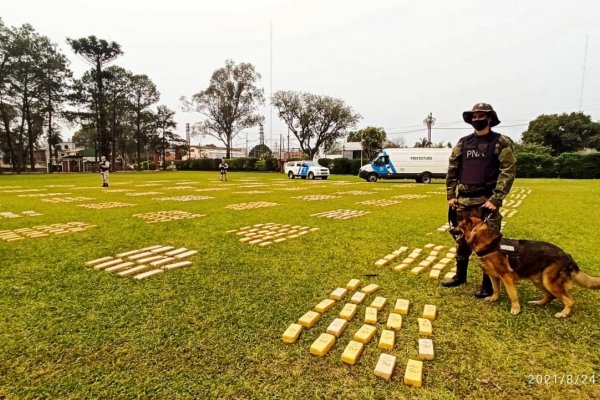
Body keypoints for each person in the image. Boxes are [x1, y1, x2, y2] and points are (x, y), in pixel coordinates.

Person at [442, 103, 517, 298]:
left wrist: (496, 199)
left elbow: (507, 171)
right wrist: (451, 195)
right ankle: (460, 276)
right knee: (462, 240)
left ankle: (487, 285)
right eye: (474, 116)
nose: (477, 119)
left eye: (481, 116)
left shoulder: (501, 142)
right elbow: (453, 169)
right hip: (463, 202)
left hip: (486, 202)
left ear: (490, 118)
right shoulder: (464, 142)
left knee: (489, 244)